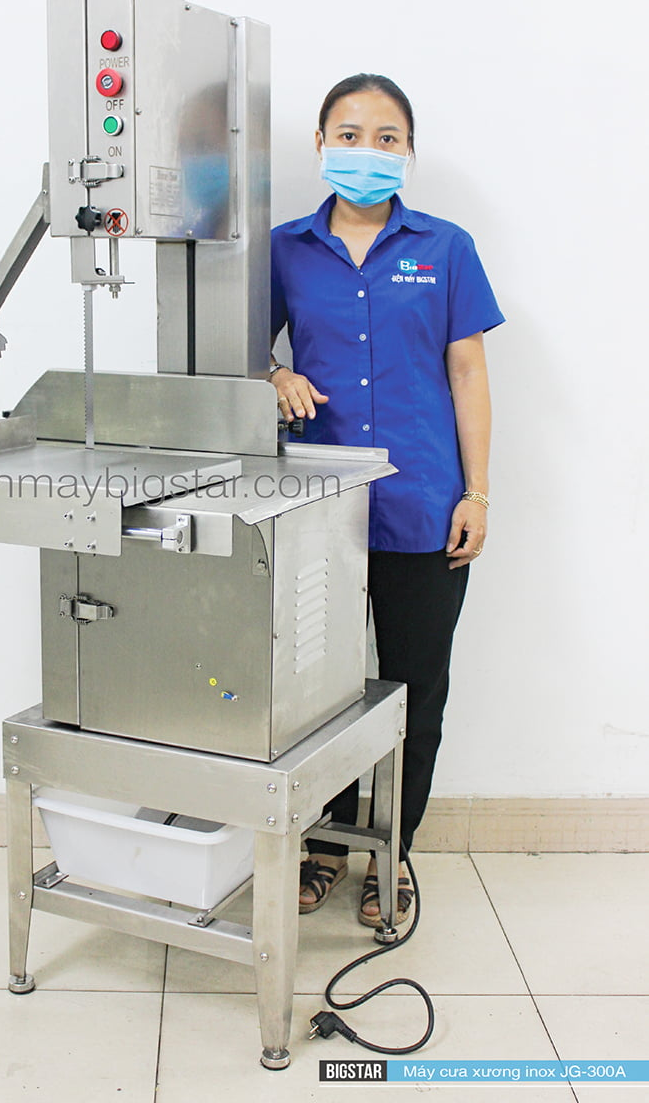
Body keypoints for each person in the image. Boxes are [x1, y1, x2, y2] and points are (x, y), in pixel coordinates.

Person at [270, 74, 504, 922]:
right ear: (320, 144)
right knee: (317, 697)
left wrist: (477, 493)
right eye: (349, 133)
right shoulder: (283, 250)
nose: (366, 150)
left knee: (413, 691)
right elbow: (238, 352)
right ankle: (326, 846)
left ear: (408, 151)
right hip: (315, 514)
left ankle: (391, 852)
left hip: (422, 507)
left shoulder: (445, 248)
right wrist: (274, 374)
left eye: (386, 137)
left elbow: (468, 373)